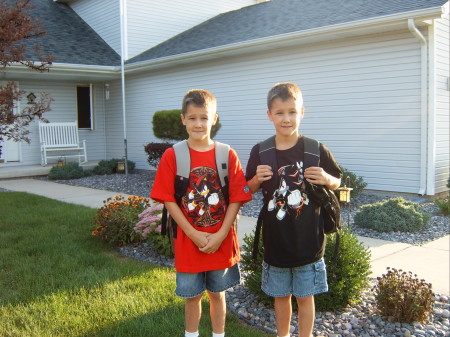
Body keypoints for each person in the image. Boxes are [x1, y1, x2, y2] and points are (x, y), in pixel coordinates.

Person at [150, 89, 251, 337]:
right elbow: (167, 199)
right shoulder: (173, 155)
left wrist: (221, 233)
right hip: (188, 242)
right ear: (183, 119)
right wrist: (194, 233)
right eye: (193, 118)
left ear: (214, 119)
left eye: (204, 118)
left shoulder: (227, 154)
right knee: (192, 296)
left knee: (218, 294)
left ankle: (219, 334)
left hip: (222, 240)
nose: (198, 124)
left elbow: (237, 197)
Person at [245, 82, 342, 337]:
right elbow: (247, 188)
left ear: (302, 112)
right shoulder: (261, 151)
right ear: (269, 115)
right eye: (279, 113)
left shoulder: (315, 148)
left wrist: (327, 179)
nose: (286, 118)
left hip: (309, 242)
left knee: (305, 297)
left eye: (292, 111)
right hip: (276, 242)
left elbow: (338, 181)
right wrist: (256, 179)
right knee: (280, 297)